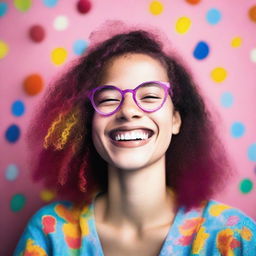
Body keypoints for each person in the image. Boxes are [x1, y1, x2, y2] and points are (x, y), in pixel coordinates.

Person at [14, 21, 256, 256]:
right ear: (87, 123)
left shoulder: (232, 236)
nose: (128, 110)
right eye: (108, 99)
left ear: (176, 119)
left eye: (150, 96)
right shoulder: (49, 234)